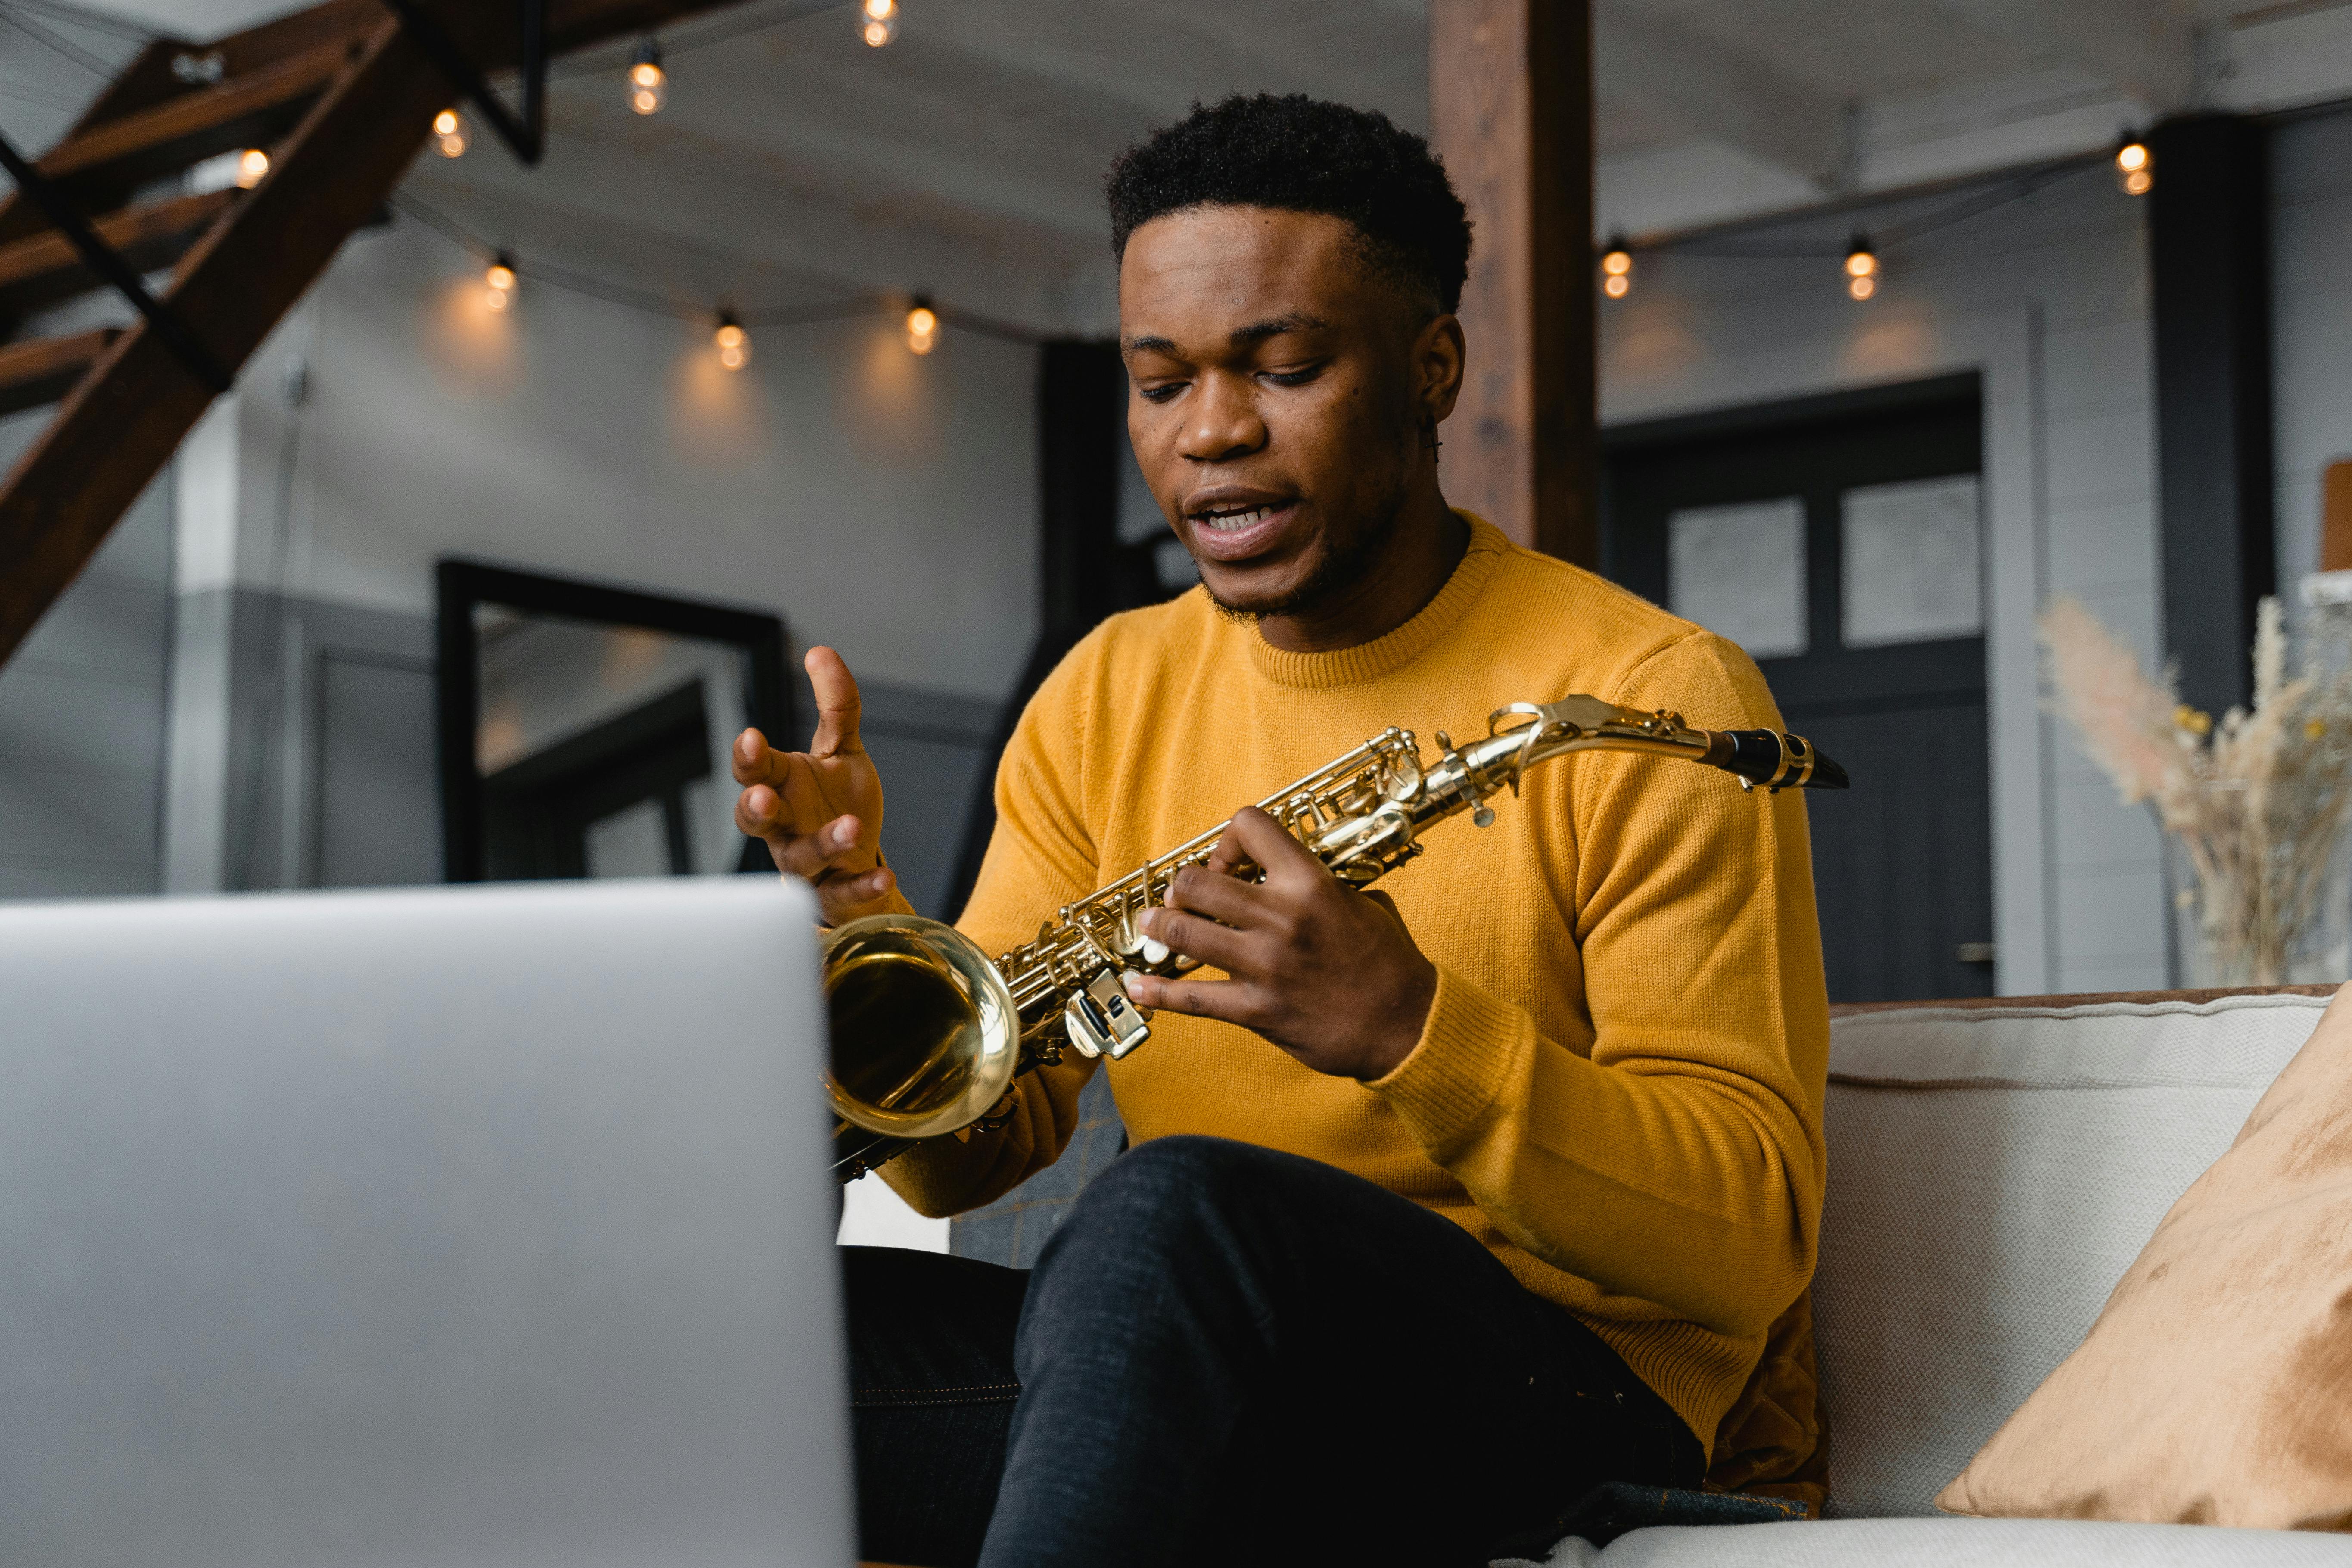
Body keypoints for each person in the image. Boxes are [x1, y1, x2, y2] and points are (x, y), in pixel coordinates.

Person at [733, 94, 1829, 1568]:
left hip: (1569, 1398)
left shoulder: (1642, 695)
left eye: (1286, 366)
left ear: (1429, 366)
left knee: (1165, 1209)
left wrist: (1407, 1026)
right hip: (1197, 1365)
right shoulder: (1103, 692)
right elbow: (955, 1168)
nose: (1212, 435)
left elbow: (1746, 1238)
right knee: (714, 1338)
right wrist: (869, 924)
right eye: (1159, 380)